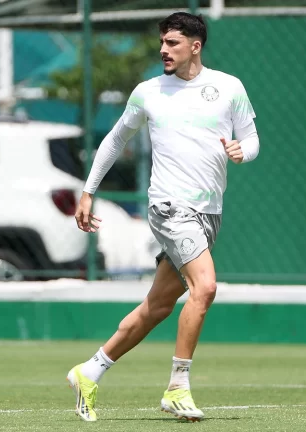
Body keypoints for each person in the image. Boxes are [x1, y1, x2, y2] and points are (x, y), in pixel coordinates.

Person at [66, 11, 260, 423]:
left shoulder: (228, 87)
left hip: (208, 212)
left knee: (158, 306)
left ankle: (90, 370)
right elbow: (116, 138)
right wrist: (88, 191)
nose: (163, 50)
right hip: (170, 208)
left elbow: (252, 136)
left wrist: (245, 152)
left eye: (172, 43)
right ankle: (178, 387)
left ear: (196, 45)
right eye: (162, 42)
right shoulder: (149, 91)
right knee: (204, 288)